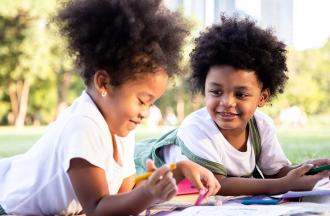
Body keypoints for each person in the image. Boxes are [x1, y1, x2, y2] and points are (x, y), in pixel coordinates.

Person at [0, 0, 219, 215]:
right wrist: (149, 195)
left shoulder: (121, 125)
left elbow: (123, 195)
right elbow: (98, 208)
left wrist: (178, 171)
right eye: (142, 100)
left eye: (151, 104)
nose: (146, 112)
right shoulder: (83, 126)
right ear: (103, 83)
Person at [135, 15, 330, 196]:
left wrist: (306, 169)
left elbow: (276, 172)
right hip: (142, 170)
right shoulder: (196, 127)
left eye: (241, 94)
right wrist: (284, 185)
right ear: (204, 89)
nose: (227, 102)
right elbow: (218, 184)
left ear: (262, 97)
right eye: (216, 92)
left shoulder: (261, 126)